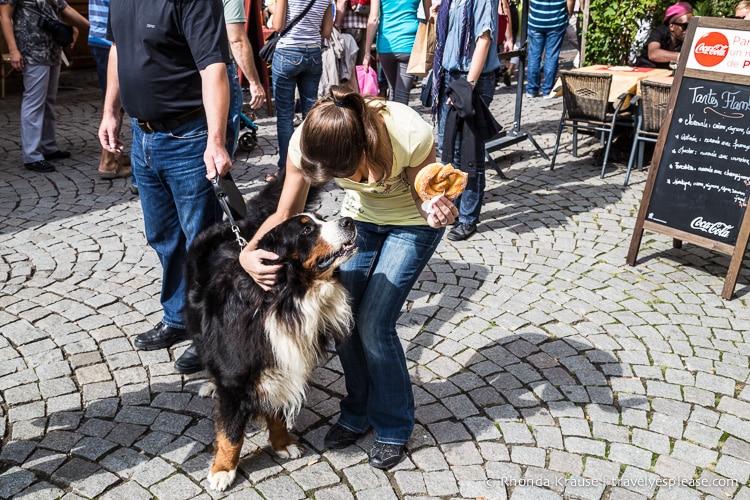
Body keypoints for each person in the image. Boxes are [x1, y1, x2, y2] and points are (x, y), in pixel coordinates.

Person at [239, 85, 458, 470]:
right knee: (344, 320)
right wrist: (247, 251)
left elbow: (427, 202)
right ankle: (356, 410)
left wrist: (438, 211)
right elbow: (284, 211)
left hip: (412, 223)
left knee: (374, 323)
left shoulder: (409, 132)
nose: (336, 179)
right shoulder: (308, 140)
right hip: (360, 220)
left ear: (361, 147)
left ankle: (393, 424)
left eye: (342, 173)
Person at [98, 0, 232, 357]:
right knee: (163, 237)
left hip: (187, 137)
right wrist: (111, 111)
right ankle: (177, 318)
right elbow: (117, 50)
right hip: (143, 138)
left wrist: (215, 142)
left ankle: (208, 334)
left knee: (201, 243)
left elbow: (214, 68)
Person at [173, 0, 268, 375]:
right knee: (178, 238)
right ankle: (185, 318)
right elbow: (237, 39)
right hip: (182, 103)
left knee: (209, 228)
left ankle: (213, 324)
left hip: (203, 105)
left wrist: (216, 139)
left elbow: (233, 42)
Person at [431, 0, 501, 241]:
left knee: (469, 152)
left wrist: (469, 85)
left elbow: (484, 38)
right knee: (449, 149)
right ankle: (454, 207)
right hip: (450, 75)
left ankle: (468, 218)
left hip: (472, 79)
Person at [0, 0, 88, 173]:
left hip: (53, 47)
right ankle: (32, 156)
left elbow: (65, 8)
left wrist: (91, 27)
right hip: (32, 48)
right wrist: (13, 50)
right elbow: (4, 15)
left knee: (48, 99)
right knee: (34, 100)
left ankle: (48, 147)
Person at [269, 0, 333, 180]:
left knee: (285, 116)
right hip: (313, 54)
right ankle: (311, 165)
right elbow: (326, 32)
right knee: (310, 114)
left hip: (287, 53)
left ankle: (285, 169)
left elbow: (278, 25)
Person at [88, 0, 131, 179]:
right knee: (116, 101)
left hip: (98, 37)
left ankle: (112, 155)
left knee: (113, 99)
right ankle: (107, 162)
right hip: (111, 42)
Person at [361, 0, 419, 105]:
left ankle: (392, 120)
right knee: (402, 95)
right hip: (409, 43)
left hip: (386, 46)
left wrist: (367, 52)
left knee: (392, 89)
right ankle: (401, 120)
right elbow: (429, 16)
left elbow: (373, 19)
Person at [525, 0, 574, 98]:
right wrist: (569, 14)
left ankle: (532, 89)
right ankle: (547, 90)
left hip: (536, 20)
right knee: (552, 56)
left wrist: (530, 12)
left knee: (534, 56)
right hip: (556, 20)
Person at [634, 2, 693, 69]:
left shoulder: (687, 40)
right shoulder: (659, 32)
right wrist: (682, 56)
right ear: (671, 26)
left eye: (691, 26)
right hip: (644, 71)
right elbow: (653, 54)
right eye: (684, 26)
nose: (688, 30)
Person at [335, 0, 368, 66]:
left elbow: (342, 1)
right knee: (360, 66)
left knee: (348, 67)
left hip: (347, 27)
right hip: (365, 26)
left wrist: (336, 25)